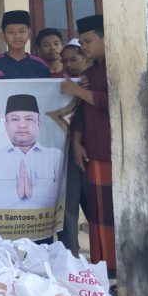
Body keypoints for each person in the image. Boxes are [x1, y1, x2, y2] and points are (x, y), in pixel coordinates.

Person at [61, 14, 115, 276]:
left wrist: (77, 91)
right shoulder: (89, 73)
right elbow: (81, 113)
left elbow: (113, 101)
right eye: (82, 42)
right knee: (97, 215)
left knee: (113, 213)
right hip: (93, 151)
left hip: (115, 154)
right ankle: (103, 266)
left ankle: (117, 266)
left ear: (106, 38)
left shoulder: (117, 68)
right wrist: (76, 141)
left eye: (89, 41)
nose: (85, 47)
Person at [0, 94, 63, 211]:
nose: (22, 125)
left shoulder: (55, 157)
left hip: (44, 223)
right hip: (4, 223)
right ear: (6, 125)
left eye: (29, 119)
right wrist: (14, 192)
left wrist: (33, 192)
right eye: (15, 119)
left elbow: (65, 193)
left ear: (38, 124)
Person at [56, 38, 90, 256]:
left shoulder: (95, 80)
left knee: (97, 207)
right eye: (65, 61)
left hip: (96, 152)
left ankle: (106, 256)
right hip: (67, 152)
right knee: (68, 207)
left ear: (86, 58)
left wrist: (79, 90)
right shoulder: (61, 85)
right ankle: (70, 256)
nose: (68, 64)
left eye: (73, 59)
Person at [0, 11, 50, 79]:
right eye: (11, 32)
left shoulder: (40, 65)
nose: (17, 36)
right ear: (3, 36)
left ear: (29, 35)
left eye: (22, 31)